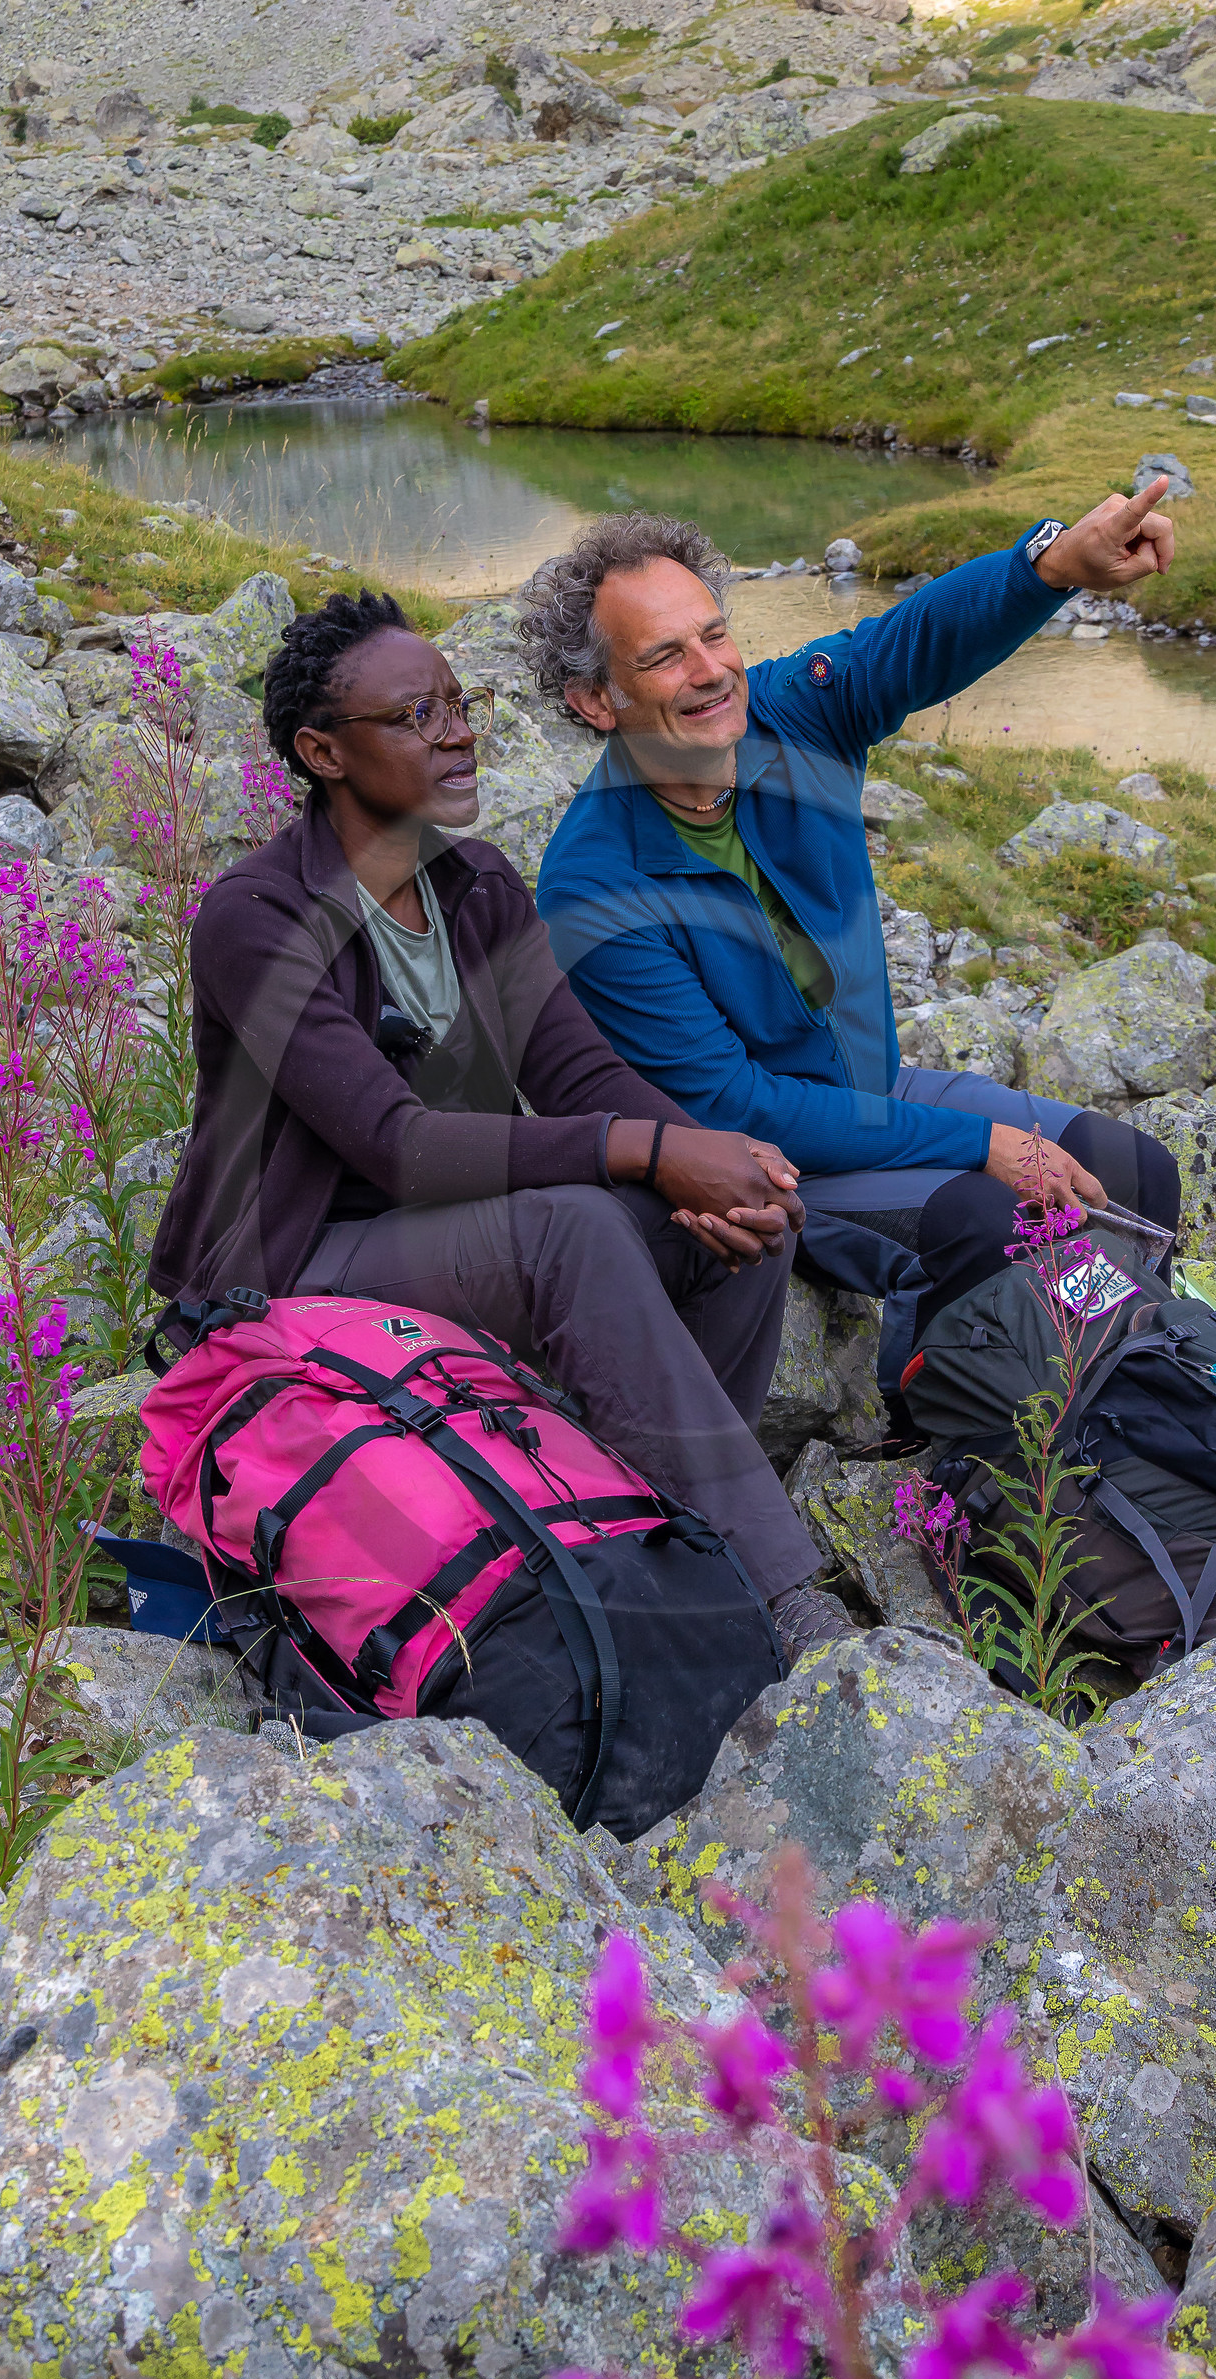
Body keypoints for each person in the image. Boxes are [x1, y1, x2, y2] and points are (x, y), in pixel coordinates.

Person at [148, 589, 836, 1649]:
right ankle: (776, 1593)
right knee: (577, 1226)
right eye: (415, 716)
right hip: (293, 1261)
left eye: (457, 705)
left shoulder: (474, 880)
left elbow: (575, 1070)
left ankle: (674, 1530)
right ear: (323, 754)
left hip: (447, 1230)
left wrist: (713, 1162)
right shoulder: (259, 916)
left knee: (743, 1215)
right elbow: (399, 1146)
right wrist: (649, 1151)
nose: (457, 733)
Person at [528, 496, 1183, 1432]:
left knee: (1132, 1169)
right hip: (778, 1164)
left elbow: (909, 644)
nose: (710, 672)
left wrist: (1052, 565)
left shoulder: (788, 716)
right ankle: (952, 1449)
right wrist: (982, 1145)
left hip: (876, 1089)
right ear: (596, 701)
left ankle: (1145, 1412)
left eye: (714, 635)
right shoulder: (594, 886)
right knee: (991, 1219)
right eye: (665, 656)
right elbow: (738, 1107)